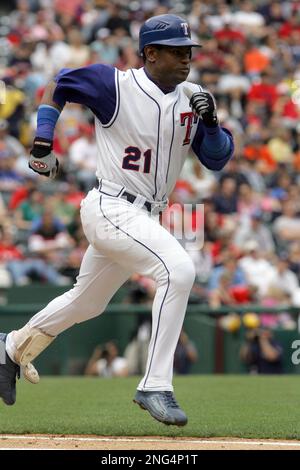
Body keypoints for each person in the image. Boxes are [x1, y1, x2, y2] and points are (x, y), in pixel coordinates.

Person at [0, 14, 234, 426]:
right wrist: (42, 138)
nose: (186, 59)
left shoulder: (193, 95)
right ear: (150, 53)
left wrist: (212, 124)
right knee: (178, 269)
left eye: (189, 51)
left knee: (87, 302)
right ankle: (156, 384)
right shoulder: (115, 84)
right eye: (177, 52)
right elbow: (60, 84)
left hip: (144, 215)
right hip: (111, 205)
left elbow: (217, 159)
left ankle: (10, 347)